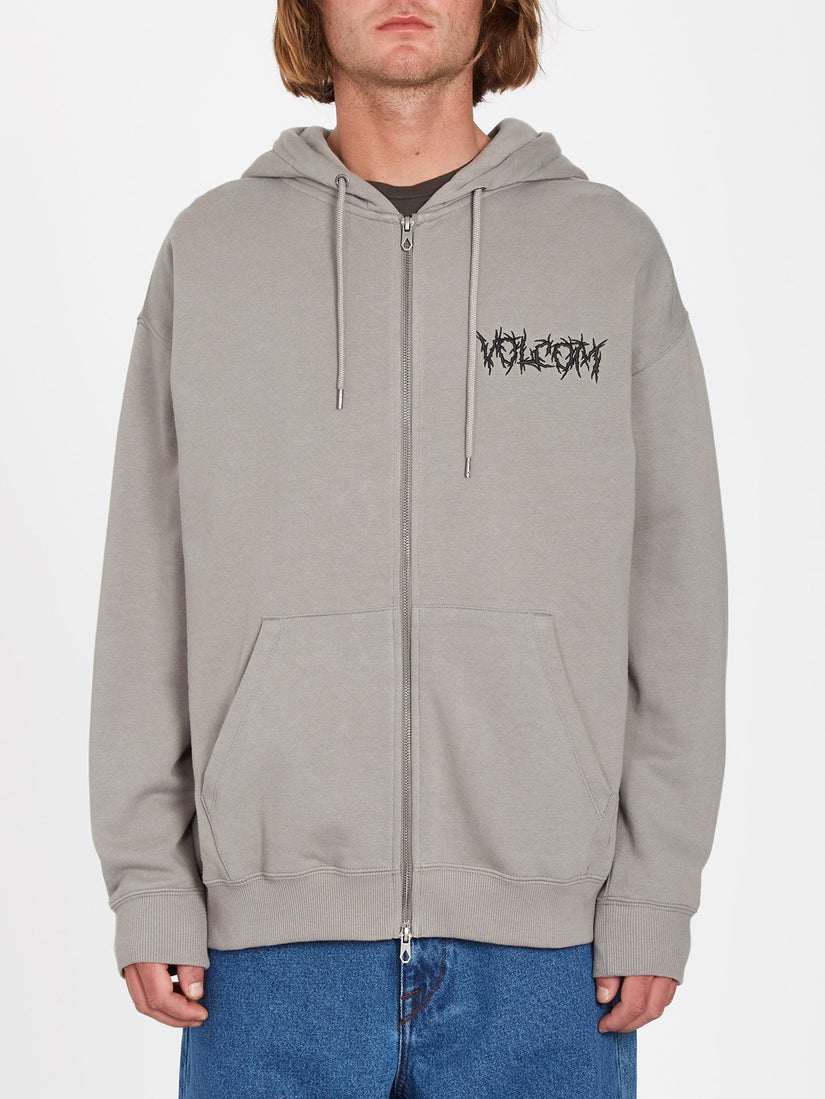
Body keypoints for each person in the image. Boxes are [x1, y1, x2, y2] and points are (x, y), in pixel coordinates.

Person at [88, 2, 728, 1095]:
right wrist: (150, 879)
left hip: (551, 957)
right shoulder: (213, 252)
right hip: (265, 954)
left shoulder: (608, 253)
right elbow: (147, 584)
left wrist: (655, 889)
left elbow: (678, 594)